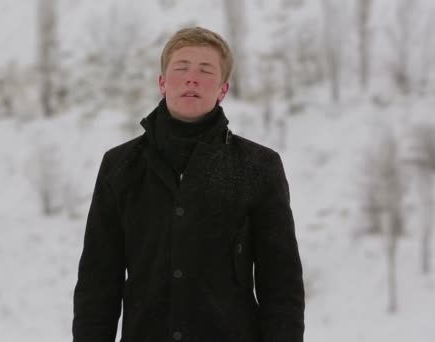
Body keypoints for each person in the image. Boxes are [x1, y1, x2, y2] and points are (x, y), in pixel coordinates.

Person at [73, 26, 305, 342]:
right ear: (162, 82)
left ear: (223, 89)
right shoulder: (120, 166)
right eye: (181, 68)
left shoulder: (259, 167)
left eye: (205, 70)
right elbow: (98, 283)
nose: (191, 78)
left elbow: (281, 286)